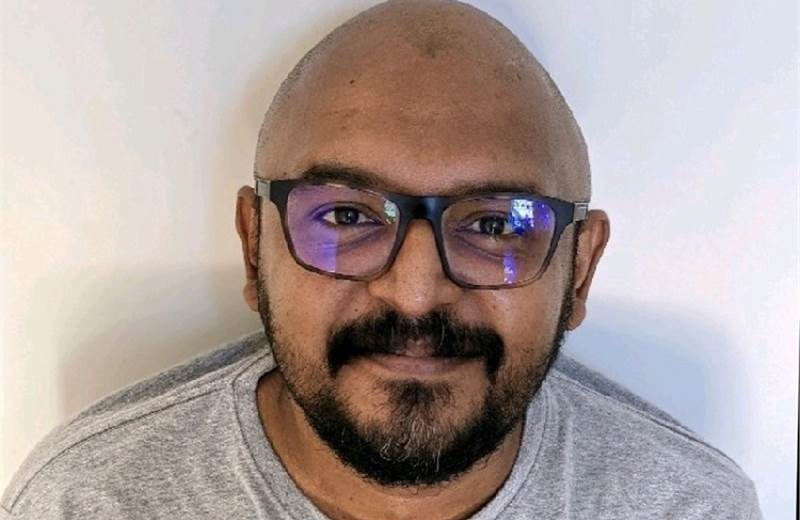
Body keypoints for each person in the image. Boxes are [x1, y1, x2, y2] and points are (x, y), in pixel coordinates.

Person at [2, 1, 762, 519]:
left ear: (582, 269)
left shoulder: (689, 506)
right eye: (347, 216)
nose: (415, 292)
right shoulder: (88, 502)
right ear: (254, 247)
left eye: (495, 224)